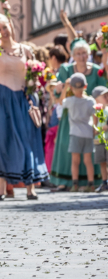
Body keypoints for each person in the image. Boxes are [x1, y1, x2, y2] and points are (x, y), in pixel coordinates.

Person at [0, 14, 49, 200]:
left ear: (10, 26)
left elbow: (34, 74)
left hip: (24, 97)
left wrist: (33, 82)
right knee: (3, 140)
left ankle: (30, 187)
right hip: (2, 98)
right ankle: (1, 187)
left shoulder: (26, 50)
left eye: (4, 27)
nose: (3, 31)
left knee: (27, 139)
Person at [49, 39, 107, 189]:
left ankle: (95, 182)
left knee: (92, 152)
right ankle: (66, 181)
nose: (81, 56)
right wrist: (59, 88)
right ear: (73, 55)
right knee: (67, 149)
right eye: (78, 53)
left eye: (84, 53)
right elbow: (57, 92)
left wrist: (99, 121)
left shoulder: (96, 70)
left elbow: (103, 94)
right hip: (71, 116)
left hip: (91, 115)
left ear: (88, 54)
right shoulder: (66, 69)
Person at [62, 73, 97, 192]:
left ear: (71, 87)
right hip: (87, 133)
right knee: (88, 161)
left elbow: (61, 102)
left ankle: (75, 184)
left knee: (75, 161)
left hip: (75, 133)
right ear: (85, 86)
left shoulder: (70, 101)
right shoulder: (90, 100)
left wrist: (65, 88)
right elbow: (95, 115)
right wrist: (95, 128)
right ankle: (91, 184)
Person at [92, 86, 108, 192]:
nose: (107, 97)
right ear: (97, 98)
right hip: (99, 140)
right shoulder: (97, 110)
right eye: (104, 96)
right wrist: (101, 128)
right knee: (102, 162)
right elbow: (95, 128)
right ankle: (104, 182)